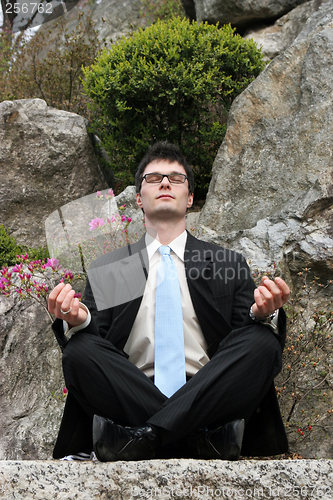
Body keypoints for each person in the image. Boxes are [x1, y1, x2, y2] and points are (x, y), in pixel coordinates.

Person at [48, 141, 290, 462]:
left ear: (189, 198)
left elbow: (238, 350)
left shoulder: (224, 263)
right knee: (79, 350)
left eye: (176, 178)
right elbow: (101, 354)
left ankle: (147, 438)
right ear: (138, 198)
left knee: (262, 341)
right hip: (132, 396)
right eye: (153, 178)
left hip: (207, 395)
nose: (165, 183)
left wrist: (260, 316)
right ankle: (194, 440)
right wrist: (81, 322)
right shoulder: (113, 269)